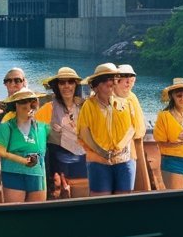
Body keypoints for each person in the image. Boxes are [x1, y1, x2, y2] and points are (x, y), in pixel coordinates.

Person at [76, 63, 136, 196]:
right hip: (99, 161)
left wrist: (119, 146)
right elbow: (84, 132)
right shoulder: (89, 105)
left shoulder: (125, 103)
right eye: (106, 79)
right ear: (96, 85)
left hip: (124, 160)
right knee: (101, 200)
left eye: (113, 79)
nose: (111, 82)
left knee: (124, 200)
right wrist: (101, 152)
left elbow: (132, 128)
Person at [37, 67, 87, 199]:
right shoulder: (47, 108)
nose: (66, 86)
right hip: (57, 162)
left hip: (83, 159)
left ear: (75, 85)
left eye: (70, 82)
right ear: (56, 86)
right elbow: (37, 137)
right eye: (62, 83)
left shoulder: (85, 107)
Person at [0, 88, 49, 202]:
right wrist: (23, 161)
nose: (28, 105)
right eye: (23, 101)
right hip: (13, 173)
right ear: (15, 105)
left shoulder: (43, 127)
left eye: (32, 101)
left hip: (37, 173)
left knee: (37, 215)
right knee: (15, 214)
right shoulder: (6, 126)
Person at [0, 67, 26, 136]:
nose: (12, 84)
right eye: (9, 81)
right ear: (5, 84)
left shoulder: (31, 103)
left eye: (17, 80)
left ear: (24, 82)